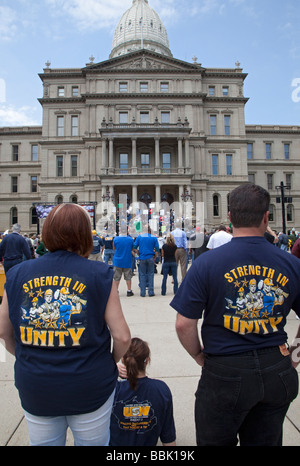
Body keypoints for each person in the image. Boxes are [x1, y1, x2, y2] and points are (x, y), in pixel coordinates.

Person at [171, 183, 300, 446]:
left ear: (229, 217)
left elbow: (184, 324)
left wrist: (198, 355)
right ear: (266, 217)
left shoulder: (206, 263)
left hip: (224, 370)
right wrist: (294, 354)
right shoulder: (292, 263)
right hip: (277, 366)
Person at [0, 203, 131, 446]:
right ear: (84, 234)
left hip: (36, 384)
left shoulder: (17, 273)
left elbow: (3, 331)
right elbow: (123, 337)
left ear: (47, 232)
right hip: (90, 383)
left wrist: (27, 356)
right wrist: (107, 362)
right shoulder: (100, 273)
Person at [110, 337, 176, 446]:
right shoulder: (161, 390)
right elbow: (168, 438)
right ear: (147, 361)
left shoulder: (113, 390)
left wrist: (111, 368)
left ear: (123, 360)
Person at [134, 225, 159, 297]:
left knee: (142, 274)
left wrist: (138, 253)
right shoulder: (153, 237)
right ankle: (151, 292)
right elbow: (157, 249)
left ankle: (143, 292)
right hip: (150, 256)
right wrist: (155, 256)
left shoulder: (139, 237)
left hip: (142, 257)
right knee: (151, 274)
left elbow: (135, 247)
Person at [113, 226, 134, 297]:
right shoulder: (130, 240)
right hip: (127, 260)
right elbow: (132, 248)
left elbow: (114, 248)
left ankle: (116, 291)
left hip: (117, 260)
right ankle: (129, 290)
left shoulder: (115, 239)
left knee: (116, 277)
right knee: (128, 276)